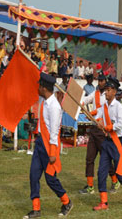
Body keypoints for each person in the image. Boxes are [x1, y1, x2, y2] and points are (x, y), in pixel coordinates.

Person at [23, 73, 73, 219]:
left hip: (49, 146)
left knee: (50, 179)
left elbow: (55, 130)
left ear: (44, 88)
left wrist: (52, 152)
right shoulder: (45, 102)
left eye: (39, 86)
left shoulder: (55, 107)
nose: (37, 88)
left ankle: (67, 202)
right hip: (40, 143)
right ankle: (36, 209)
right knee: (33, 175)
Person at [92, 78, 122, 211]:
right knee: (101, 172)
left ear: (114, 91)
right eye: (106, 90)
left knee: (119, 174)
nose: (106, 92)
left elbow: (121, 124)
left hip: (117, 142)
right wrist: (93, 117)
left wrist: (107, 127)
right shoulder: (104, 105)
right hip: (107, 142)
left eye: (108, 90)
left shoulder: (118, 107)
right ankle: (104, 202)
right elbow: (99, 115)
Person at [78, 71, 117, 194]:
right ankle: (90, 186)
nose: (100, 83)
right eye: (99, 81)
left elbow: (100, 110)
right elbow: (85, 99)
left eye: (102, 81)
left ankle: (115, 181)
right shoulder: (94, 94)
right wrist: (81, 104)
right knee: (89, 158)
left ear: (105, 82)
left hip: (103, 130)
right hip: (94, 129)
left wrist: (92, 114)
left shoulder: (106, 96)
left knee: (105, 158)